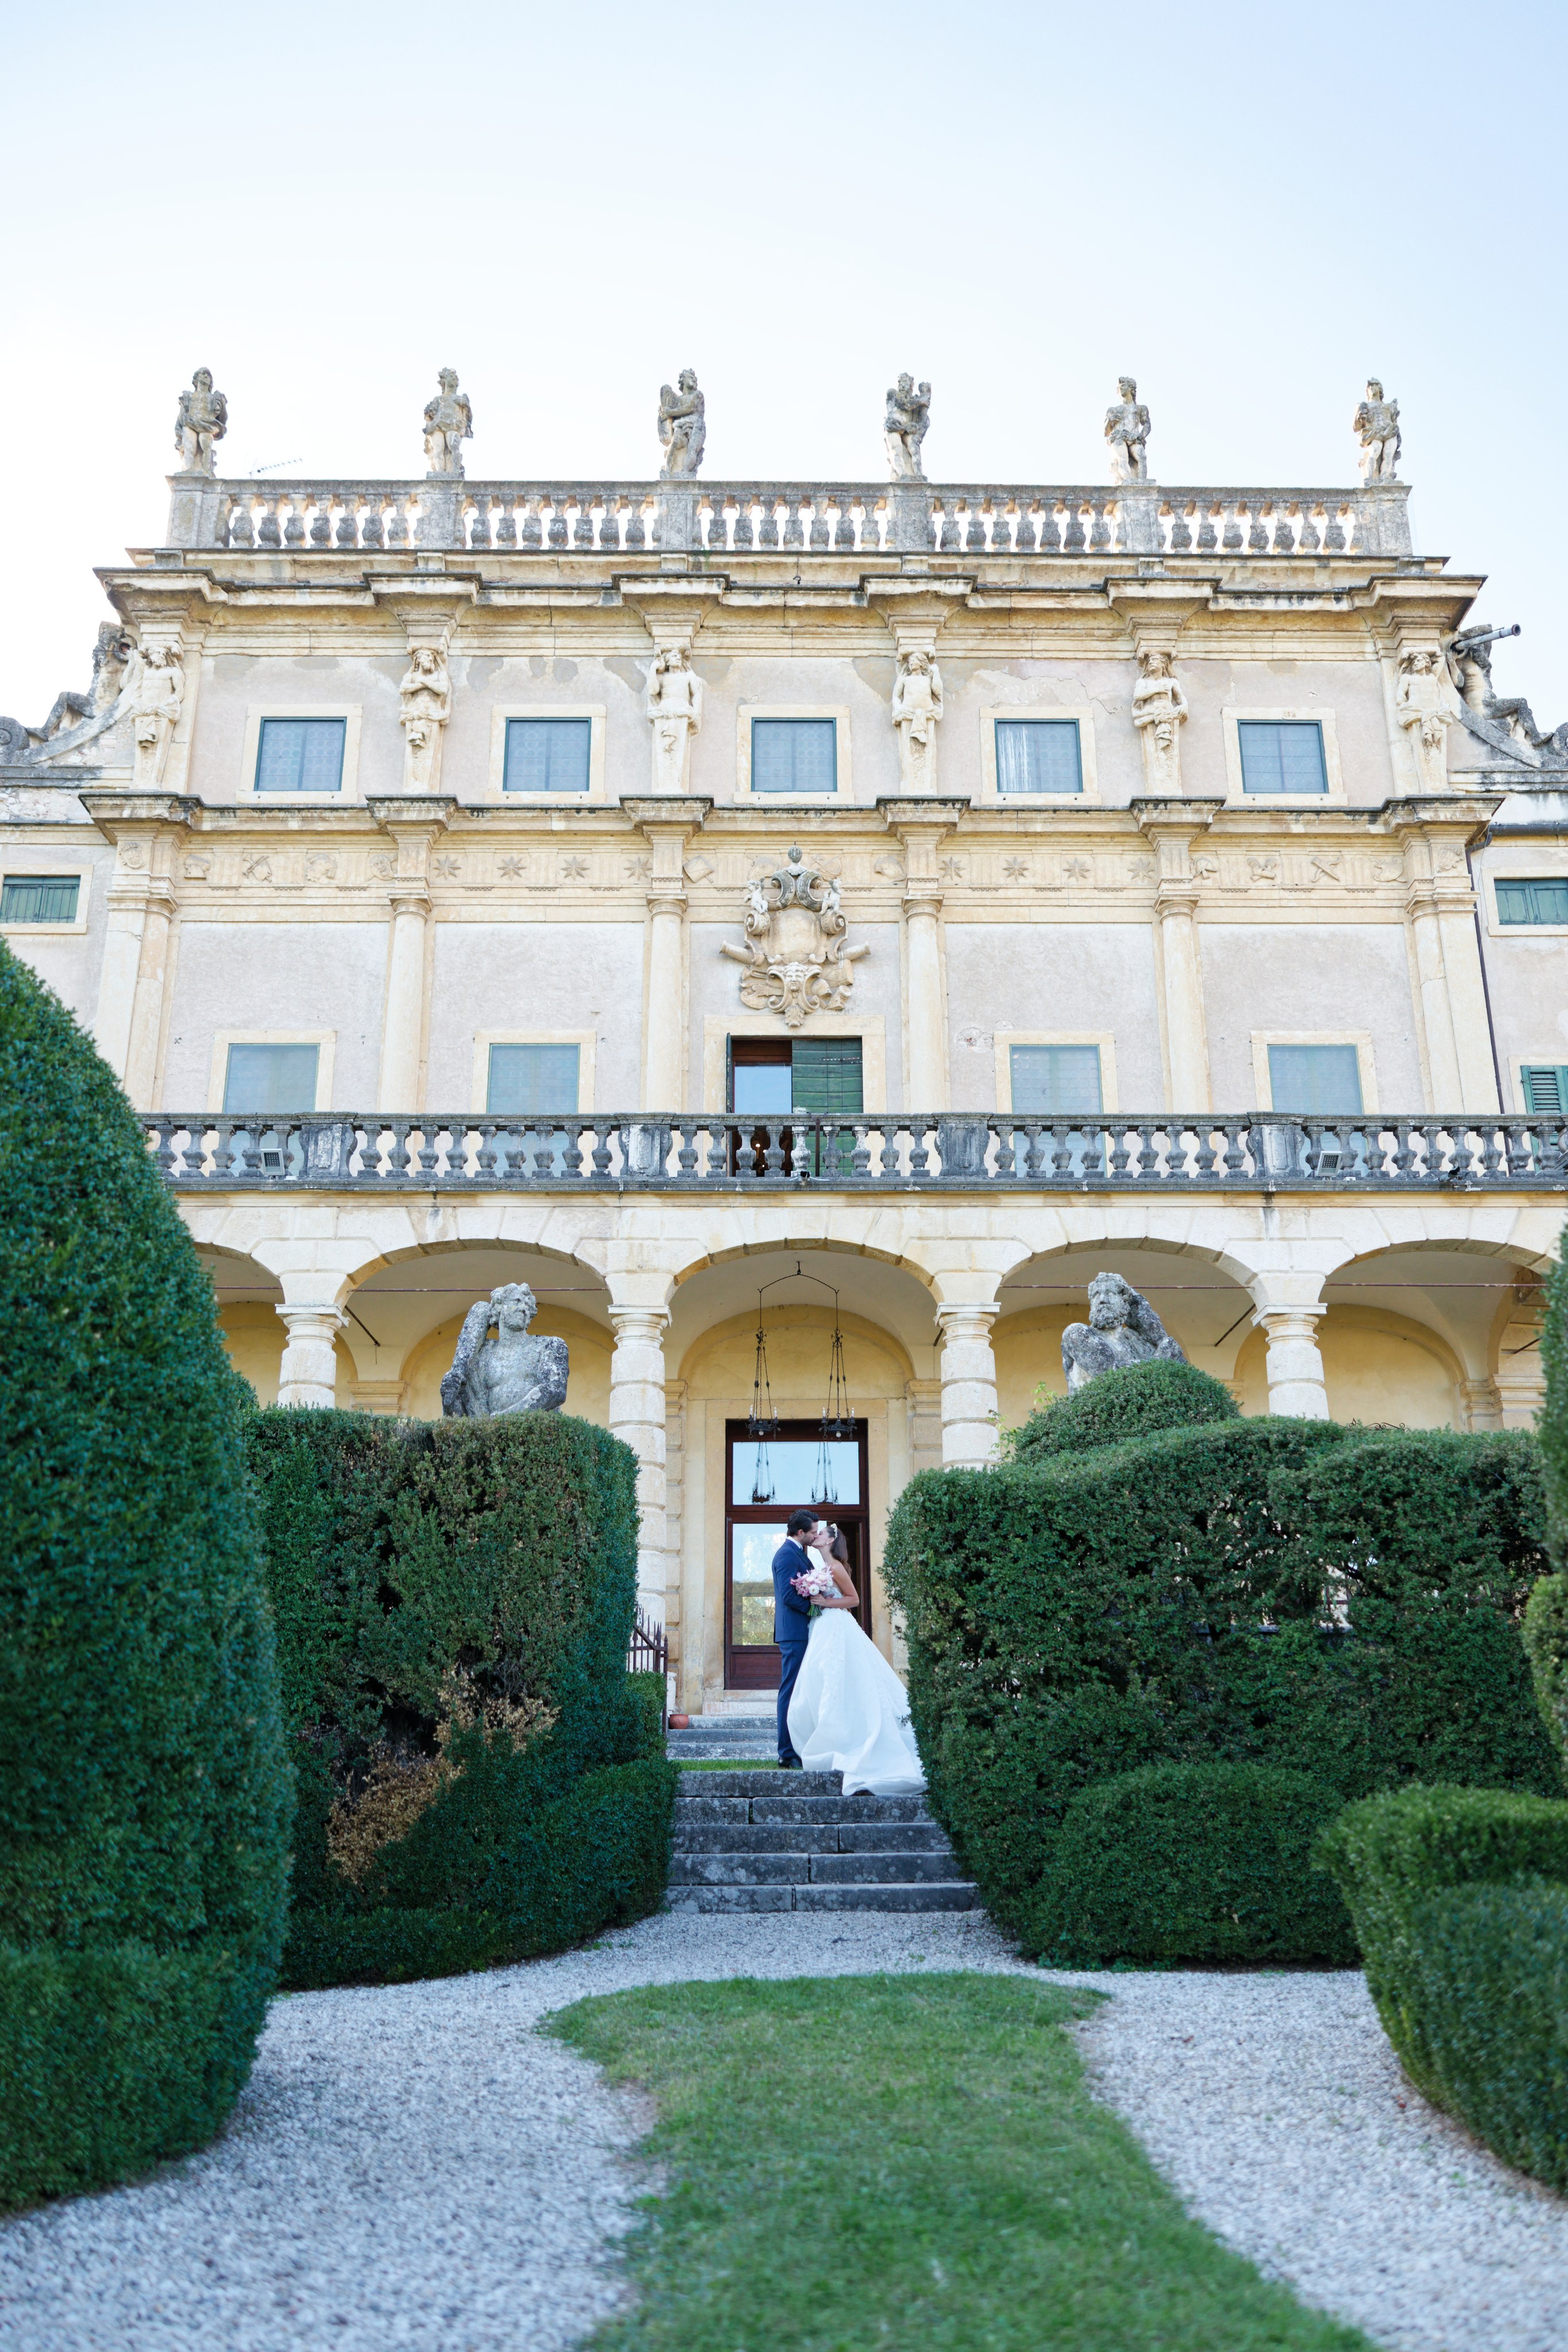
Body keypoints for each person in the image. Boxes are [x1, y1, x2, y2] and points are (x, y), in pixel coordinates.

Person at [785, 1523, 925, 1797]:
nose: (816, 1535)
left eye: (821, 1533)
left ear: (830, 1541)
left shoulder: (836, 1567)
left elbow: (854, 1600)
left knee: (839, 1675)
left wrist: (825, 1603)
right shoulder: (821, 1567)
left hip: (838, 1626)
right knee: (822, 1677)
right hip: (822, 1627)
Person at [771, 1508, 821, 1769]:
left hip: (802, 1631)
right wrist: (815, 1609)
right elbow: (788, 1596)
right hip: (794, 1633)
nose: (815, 1536)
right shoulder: (786, 1555)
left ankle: (800, 1746)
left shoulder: (799, 1553)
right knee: (790, 1691)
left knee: (801, 1690)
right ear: (800, 1533)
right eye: (813, 1532)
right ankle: (786, 1752)